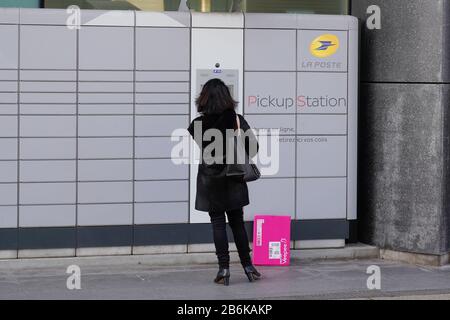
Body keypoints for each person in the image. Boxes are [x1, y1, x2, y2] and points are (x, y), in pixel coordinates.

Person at [187, 78, 261, 286]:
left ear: (204, 99)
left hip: (211, 181)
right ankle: (248, 266)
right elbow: (254, 149)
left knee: (217, 224)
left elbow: (210, 150)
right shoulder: (237, 120)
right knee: (237, 223)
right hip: (234, 178)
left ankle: (224, 269)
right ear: (227, 98)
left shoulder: (197, 125)